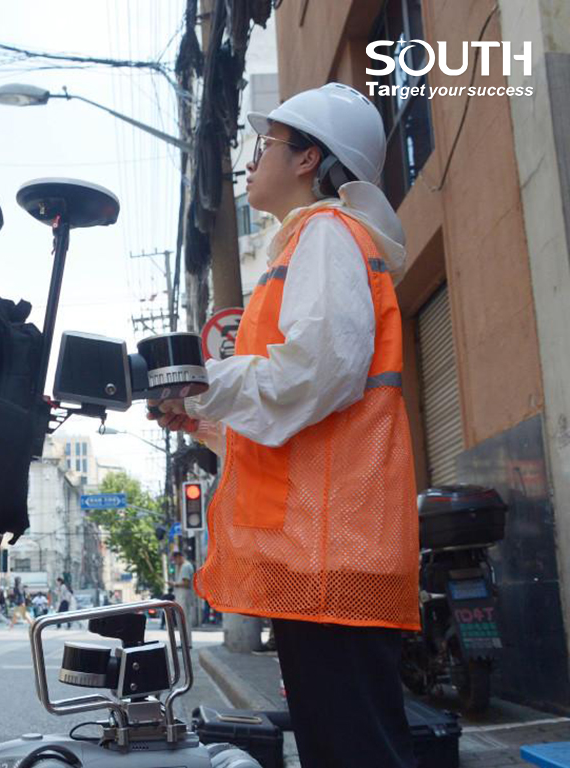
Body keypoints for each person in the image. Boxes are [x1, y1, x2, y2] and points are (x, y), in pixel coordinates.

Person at [151, 83, 419, 768]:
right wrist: (205, 419)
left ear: (308, 160)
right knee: (343, 748)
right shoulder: (302, 245)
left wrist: (205, 383)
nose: (251, 158)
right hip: (320, 555)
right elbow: (295, 414)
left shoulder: (327, 234)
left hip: (334, 552)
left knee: (357, 751)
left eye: (267, 143)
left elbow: (319, 369)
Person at [168, 551, 198, 630]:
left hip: (184, 596)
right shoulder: (181, 566)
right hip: (180, 596)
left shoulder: (186, 566)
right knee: (181, 620)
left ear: (179, 557)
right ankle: (184, 640)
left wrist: (174, 584)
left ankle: (186, 641)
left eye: (175, 560)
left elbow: (186, 583)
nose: (175, 562)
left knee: (184, 619)